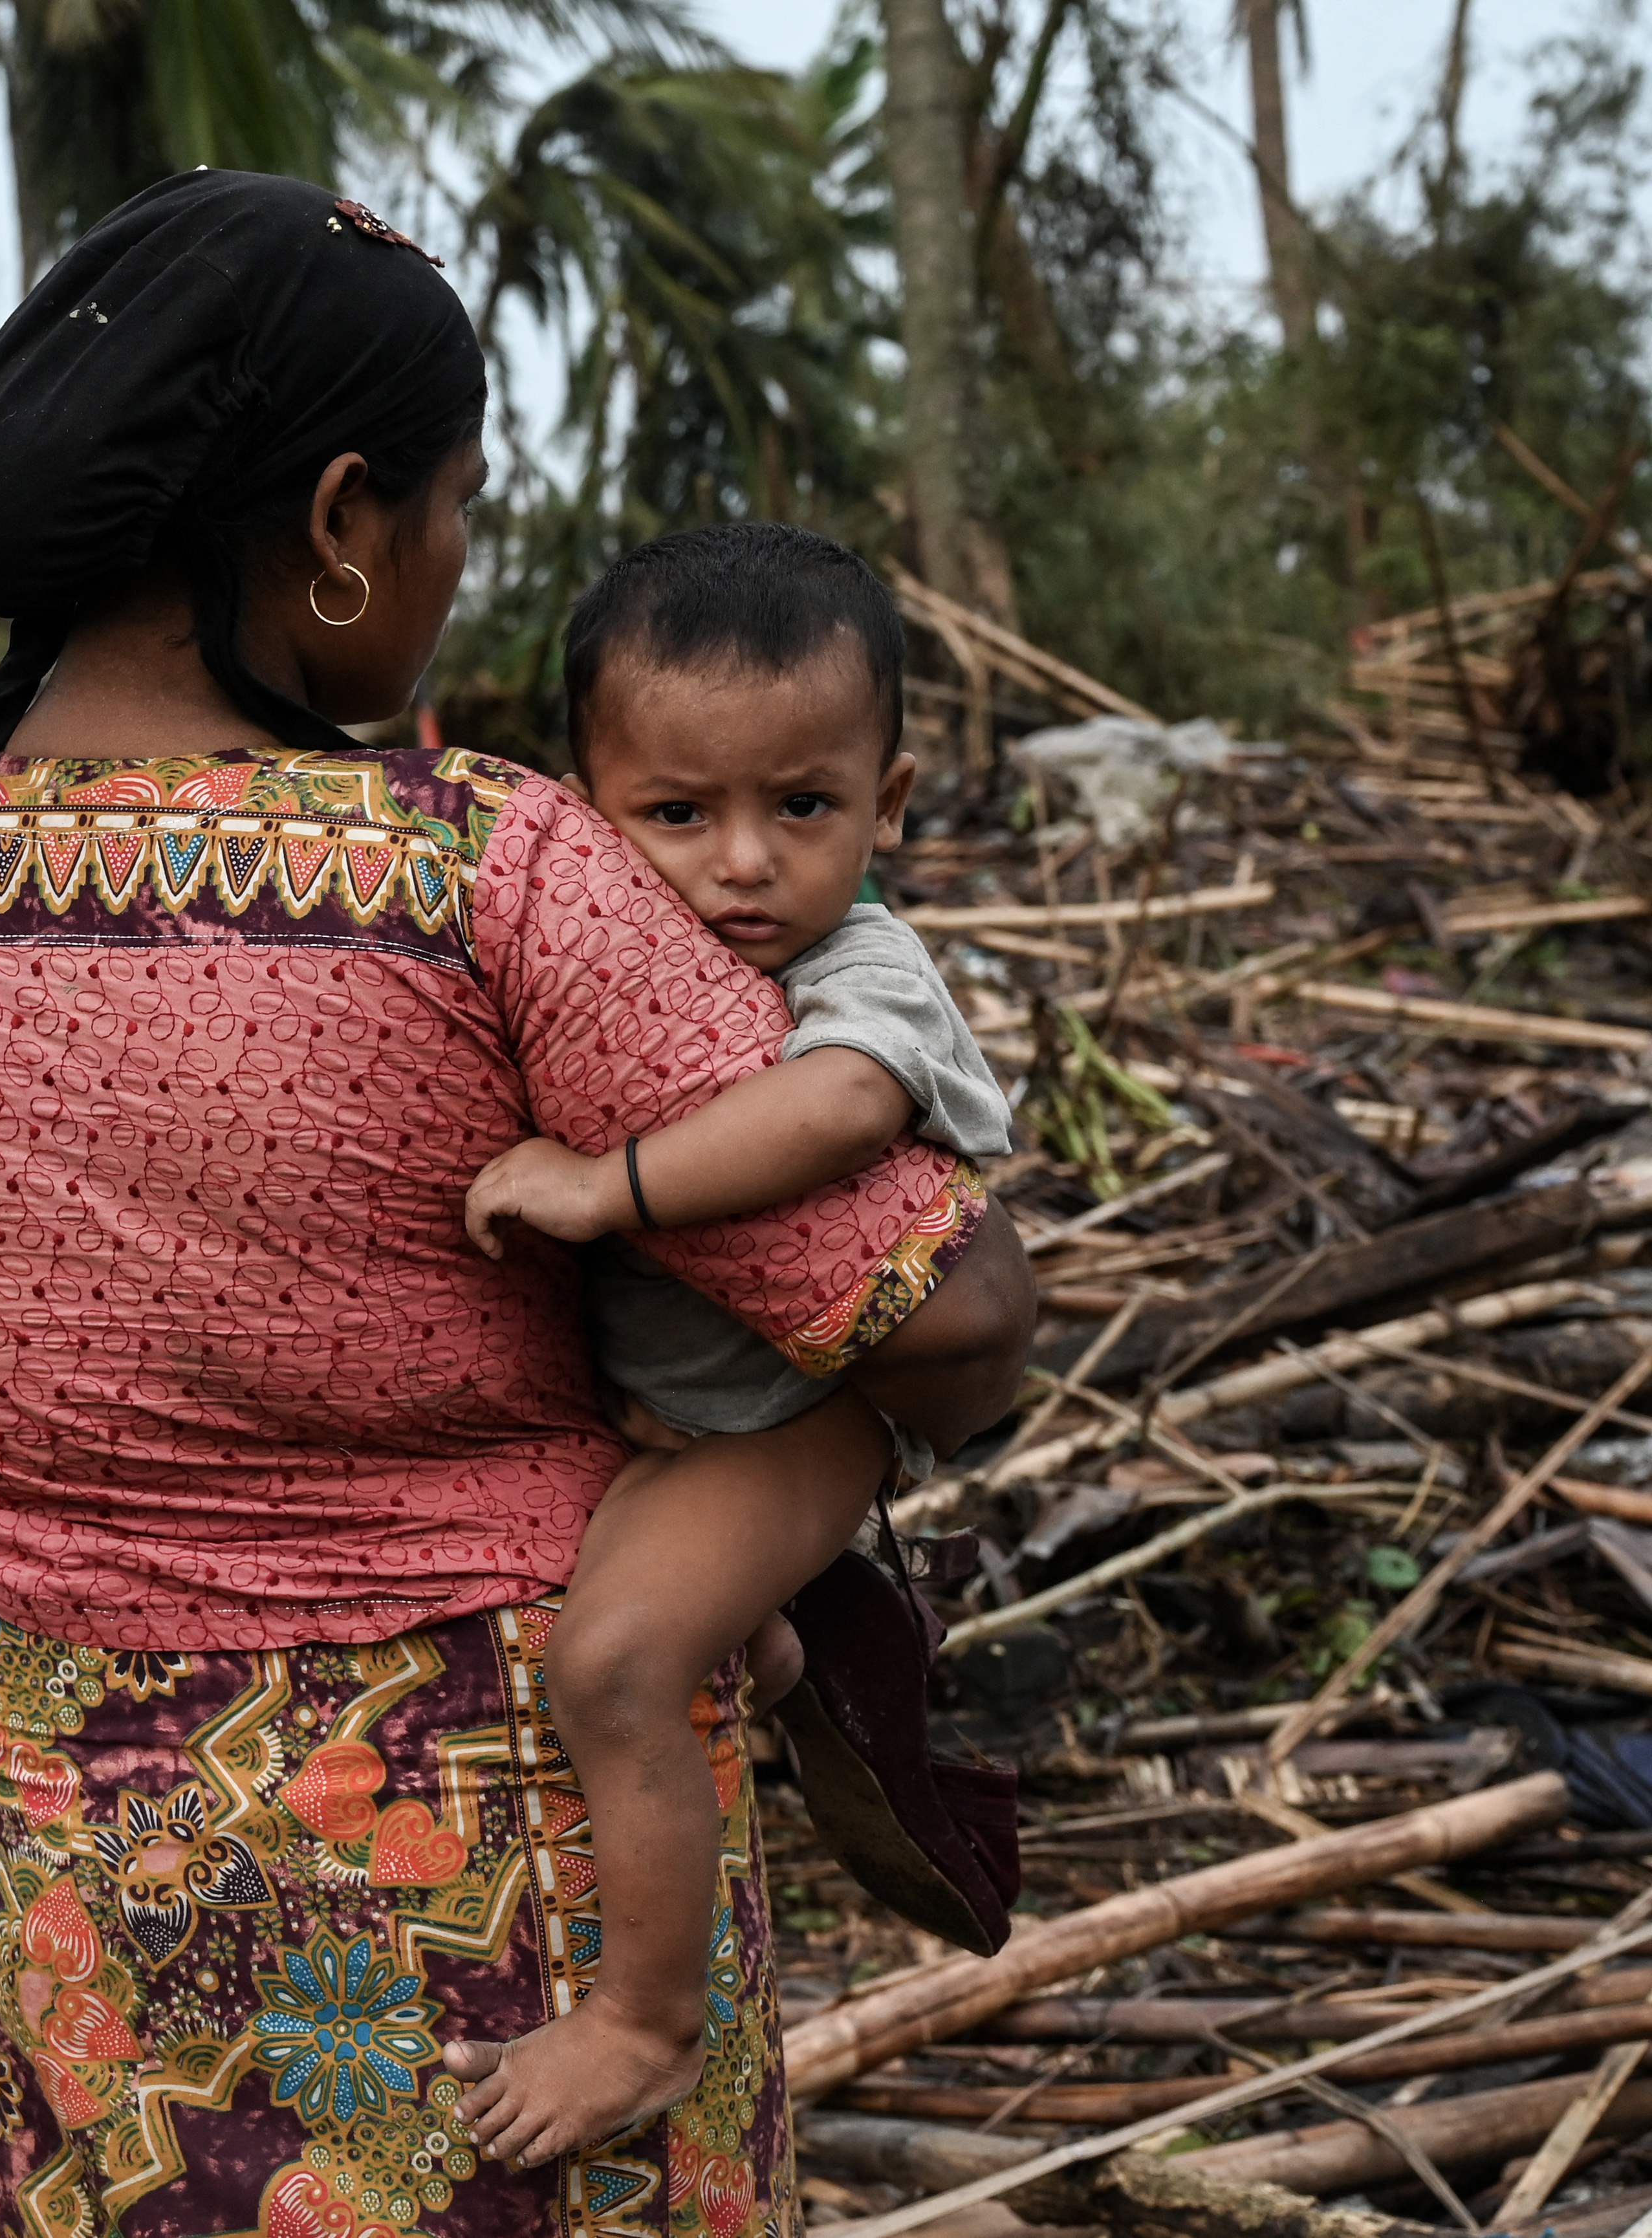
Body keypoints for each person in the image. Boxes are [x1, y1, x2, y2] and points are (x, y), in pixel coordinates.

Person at [0, 170, 1031, 2238]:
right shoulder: (467, 868)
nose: (449, 560)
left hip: (84, 1860)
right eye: (448, 506)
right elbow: (942, 1321)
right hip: (493, 1881)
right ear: (343, 523)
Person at [446, 524, 1019, 2167]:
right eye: (679, 813)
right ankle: (773, 1634)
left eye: (806, 806)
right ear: (582, 809)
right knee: (653, 1618)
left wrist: (599, 1184)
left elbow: (839, 1105)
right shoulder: (602, 951)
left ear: (890, 803)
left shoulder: (865, 969)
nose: (744, 863)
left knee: (612, 1662)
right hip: (683, 1412)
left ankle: (644, 2018)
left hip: (806, 1413)